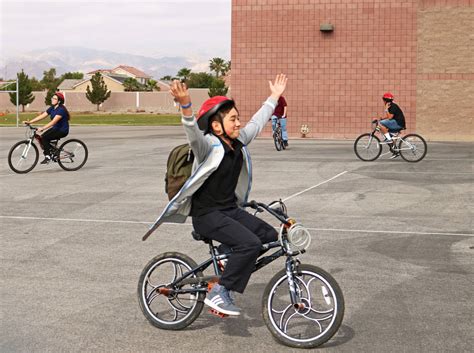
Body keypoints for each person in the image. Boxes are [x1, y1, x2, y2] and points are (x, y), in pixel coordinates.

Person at [148, 74, 288, 316]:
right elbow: (191, 130)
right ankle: (220, 292)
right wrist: (185, 105)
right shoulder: (207, 146)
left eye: (238, 118)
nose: (239, 123)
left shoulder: (238, 141)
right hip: (207, 215)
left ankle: (226, 255)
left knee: (267, 234)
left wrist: (273, 97)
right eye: (233, 119)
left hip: (229, 211)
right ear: (215, 125)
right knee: (249, 244)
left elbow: (257, 122)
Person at [23, 92, 70, 164]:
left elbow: (53, 122)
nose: (52, 99)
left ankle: (47, 156)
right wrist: (30, 122)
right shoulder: (52, 108)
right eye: (52, 98)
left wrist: (43, 128)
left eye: (54, 99)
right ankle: (52, 149)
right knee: (42, 137)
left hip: (62, 130)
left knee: (44, 138)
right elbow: (42, 116)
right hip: (55, 128)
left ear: (59, 101)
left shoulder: (61, 110)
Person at [378, 92, 406, 158]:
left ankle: (389, 139)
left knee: (381, 124)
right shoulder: (391, 105)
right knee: (387, 135)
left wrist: (386, 109)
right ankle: (395, 151)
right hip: (397, 122)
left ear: (385, 100)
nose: (383, 102)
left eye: (383, 100)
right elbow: (390, 116)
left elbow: (390, 117)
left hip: (398, 123)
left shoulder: (393, 106)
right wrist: (382, 118)